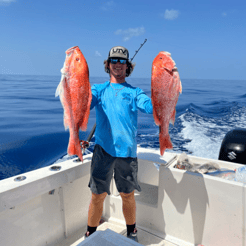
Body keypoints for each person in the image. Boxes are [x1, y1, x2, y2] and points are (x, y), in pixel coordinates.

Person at [85, 46, 153, 242]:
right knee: (98, 196)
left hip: (127, 154)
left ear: (128, 66)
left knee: (127, 195)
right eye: (113, 60)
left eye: (122, 61)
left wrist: (165, 93)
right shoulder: (98, 89)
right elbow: (85, 103)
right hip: (102, 152)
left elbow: (150, 107)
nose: (117, 64)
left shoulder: (135, 92)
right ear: (107, 65)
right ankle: (90, 232)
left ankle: (132, 232)